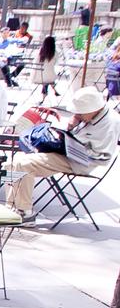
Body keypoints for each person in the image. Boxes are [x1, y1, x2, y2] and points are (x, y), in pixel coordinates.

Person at [7, 86, 120, 222]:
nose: (77, 115)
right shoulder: (88, 115)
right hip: (69, 153)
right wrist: (69, 130)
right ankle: (12, 206)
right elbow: (77, 133)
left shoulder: (110, 123)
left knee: (25, 165)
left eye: (80, 113)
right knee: (13, 162)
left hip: (81, 162)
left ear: (92, 109)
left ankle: (25, 212)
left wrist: (70, 144)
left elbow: (100, 156)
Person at [35, 35, 60, 100]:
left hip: (39, 74)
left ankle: (52, 92)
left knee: (46, 81)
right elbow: (56, 62)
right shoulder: (54, 52)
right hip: (50, 75)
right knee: (49, 79)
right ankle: (52, 92)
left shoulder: (41, 52)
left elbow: (36, 61)